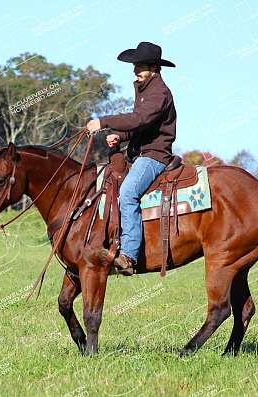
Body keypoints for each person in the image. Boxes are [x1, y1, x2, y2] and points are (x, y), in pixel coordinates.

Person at [86, 41, 177, 275]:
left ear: (154, 68)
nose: (135, 69)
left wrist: (104, 122)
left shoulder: (159, 92)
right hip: (139, 154)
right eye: (135, 65)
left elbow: (139, 119)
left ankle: (128, 255)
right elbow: (140, 125)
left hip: (154, 157)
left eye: (140, 65)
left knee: (127, 193)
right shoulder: (145, 89)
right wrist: (120, 136)